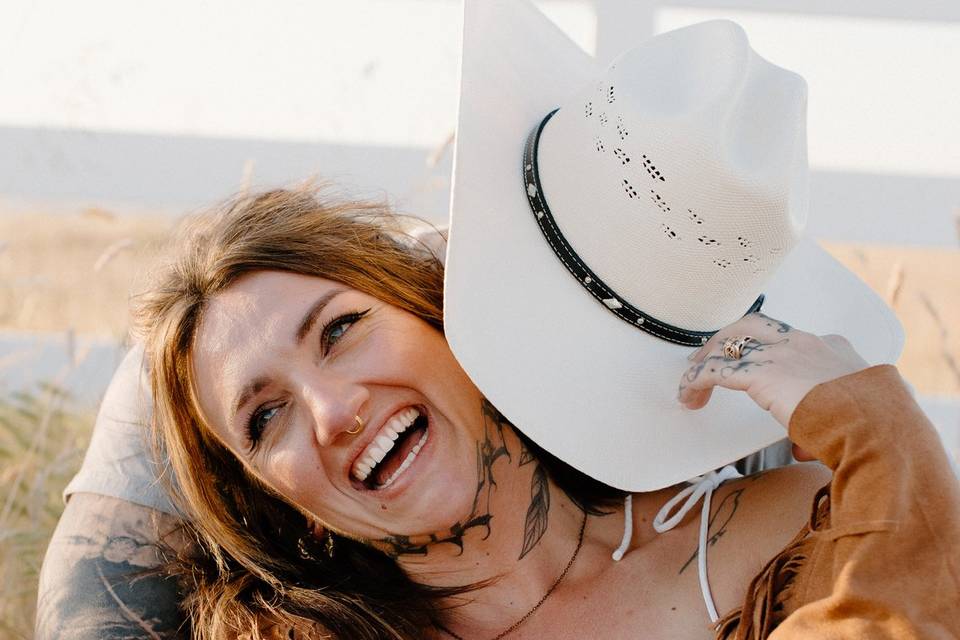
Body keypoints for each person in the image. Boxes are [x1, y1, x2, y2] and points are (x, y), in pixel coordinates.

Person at [38, 4, 959, 640]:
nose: (329, 411)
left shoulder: (807, 526)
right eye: (265, 416)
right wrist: (888, 444)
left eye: (338, 330)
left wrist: (874, 436)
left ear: (444, 312)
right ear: (275, 502)